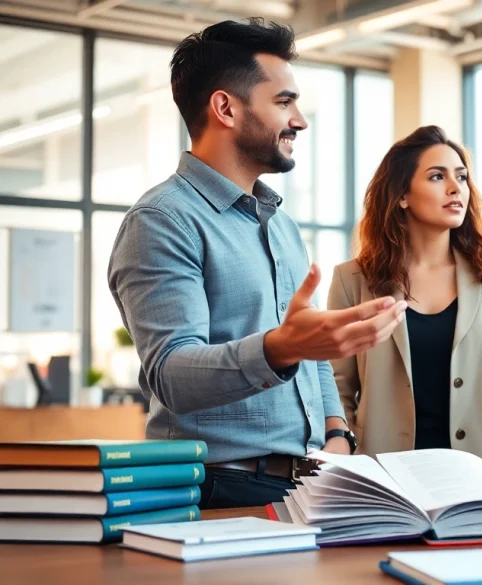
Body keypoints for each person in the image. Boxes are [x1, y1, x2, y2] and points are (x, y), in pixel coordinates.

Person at [107, 18, 406, 509]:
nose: (300, 120)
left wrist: (338, 433)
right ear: (225, 107)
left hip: (308, 483)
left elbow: (308, 353)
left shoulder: (282, 227)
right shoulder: (162, 221)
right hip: (217, 490)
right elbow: (171, 373)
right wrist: (278, 349)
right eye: (284, 102)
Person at [328, 125, 482, 467]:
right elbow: (337, 388)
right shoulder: (353, 280)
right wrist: (347, 461)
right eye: (437, 177)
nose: (455, 188)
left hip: (476, 474)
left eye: (462, 177)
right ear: (402, 195)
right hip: (384, 475)